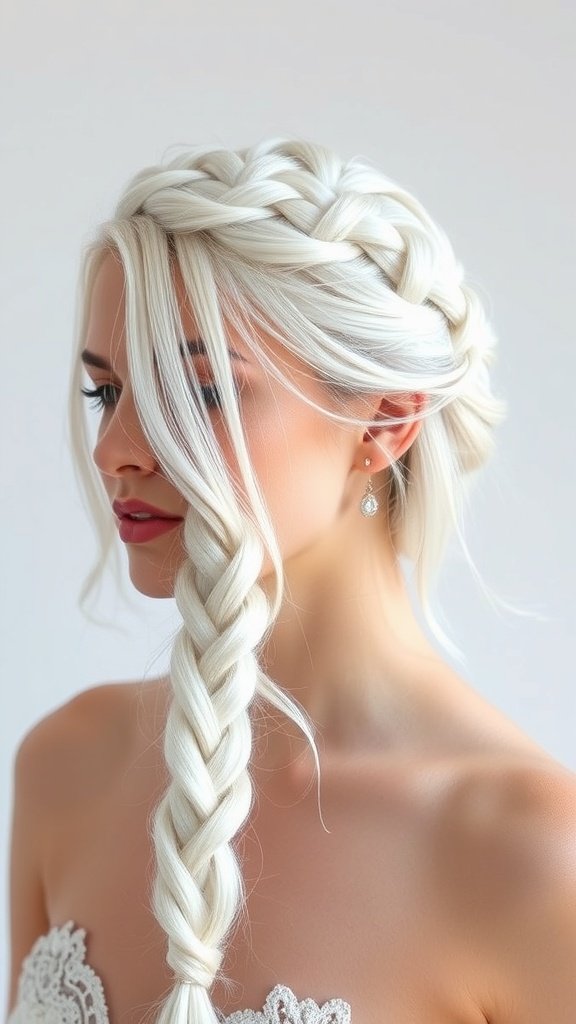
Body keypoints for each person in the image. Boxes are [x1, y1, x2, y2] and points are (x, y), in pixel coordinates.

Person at [6, 137, 576, 1024]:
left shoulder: (530, 853)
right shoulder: (64, 767)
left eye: (196, 392)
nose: (117, 450)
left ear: (385, 422)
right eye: (106, 392)